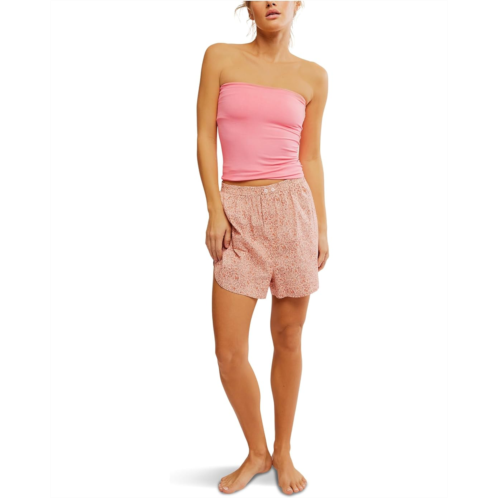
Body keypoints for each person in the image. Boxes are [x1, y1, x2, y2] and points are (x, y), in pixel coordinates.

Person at [196, 1, 329, 494]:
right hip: (237, 213)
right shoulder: (219, 57)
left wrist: (321, 227)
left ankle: (284, 451)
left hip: (294, 211)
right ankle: (257, 451)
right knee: (229, 352)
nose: (272, 0)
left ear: (297, 5)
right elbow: (204, 137)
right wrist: (215, 209)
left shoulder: (314, 76)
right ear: (248, 7)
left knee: (288, 338)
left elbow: (310, 156)